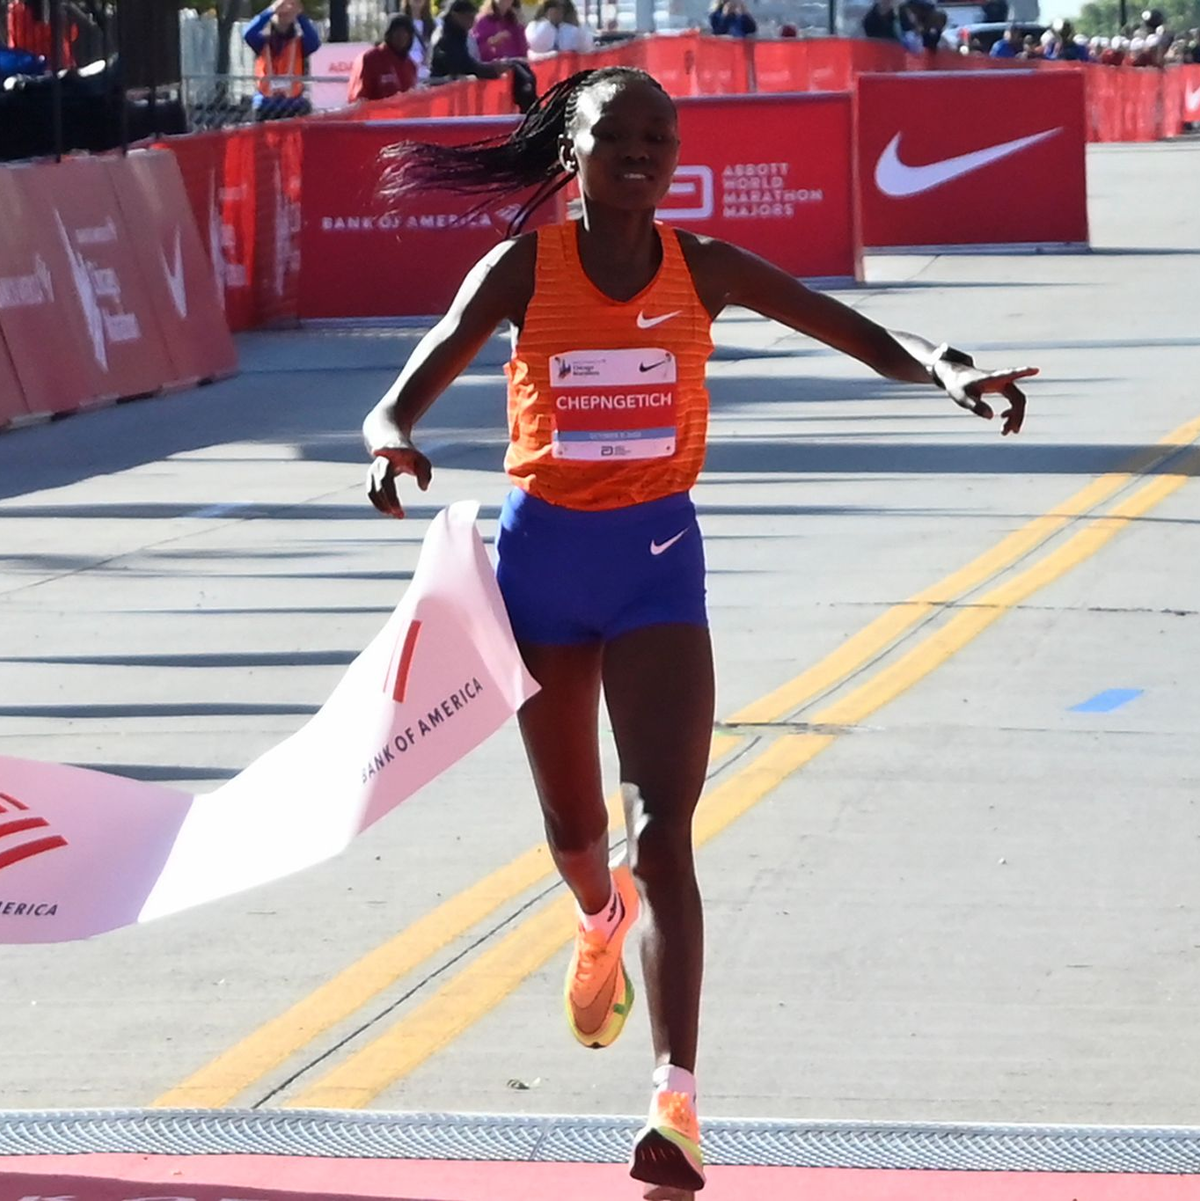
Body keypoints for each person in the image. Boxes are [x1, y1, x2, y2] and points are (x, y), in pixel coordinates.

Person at [362, 66, 1035, 1195]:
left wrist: (947, 369)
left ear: (676, 157)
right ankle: (594, 917)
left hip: (658, 567)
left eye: (659, 138)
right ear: (572, 152)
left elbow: (859, 331)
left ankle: (675, 1102)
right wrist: (392, 449)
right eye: (616, 135)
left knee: (663, 825)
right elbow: (401, 394)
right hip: (542, 571)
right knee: (580, 837)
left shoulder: (703, 269)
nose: (640, 152)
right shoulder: (525, 268)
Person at [243, 0, 321, 121]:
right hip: (266, 101)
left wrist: (299, 14)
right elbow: (248, 33)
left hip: (292, 102)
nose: (284, 15)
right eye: (280, 12)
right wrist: (271, 10)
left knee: (305, 109)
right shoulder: (262, 42)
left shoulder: (299, 44)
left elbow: (314, 41)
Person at [473, 0, 539, 111]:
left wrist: (521, 25)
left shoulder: (513, 21)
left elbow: (523, 49)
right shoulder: (483, 21)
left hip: (513, 67)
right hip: (492, 69)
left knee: (528, 77)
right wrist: (492, 42)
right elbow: (477, 49)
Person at [348, 14, 419, 102]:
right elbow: (358, 100)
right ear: (388, 34)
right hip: (375, 115)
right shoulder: (370, 59)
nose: (401, 36)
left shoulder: (410, 66)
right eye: (397, 31)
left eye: (406, 32)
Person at [526, 0, 593, 54]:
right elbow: (537, 47)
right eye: (552, 6)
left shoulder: (574, 31)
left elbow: (586, 47)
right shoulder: (534, 27)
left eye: (562, 9)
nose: (557, 11)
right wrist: (549, 24)